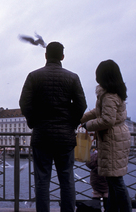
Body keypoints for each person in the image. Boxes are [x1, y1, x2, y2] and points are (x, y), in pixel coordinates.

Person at [19, 41, 87, 212]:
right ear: (62, 56)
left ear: (46, 56)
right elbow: (81, 105)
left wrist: (34, 121)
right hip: (65, 137)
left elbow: (24, 103)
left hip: (42, 136)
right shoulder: (72, 77)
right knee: (67, 181)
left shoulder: (34, 76)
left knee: (42, 181)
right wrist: (71, 123)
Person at [80, 59, 132, 212]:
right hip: (114, 138)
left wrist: (87, 125)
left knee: (116, 182)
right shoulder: (113, 93)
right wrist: (80, 118)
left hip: (112, 140)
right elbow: (98, 112)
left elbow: (107, 120)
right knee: (112, 181)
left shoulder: (108, 95)